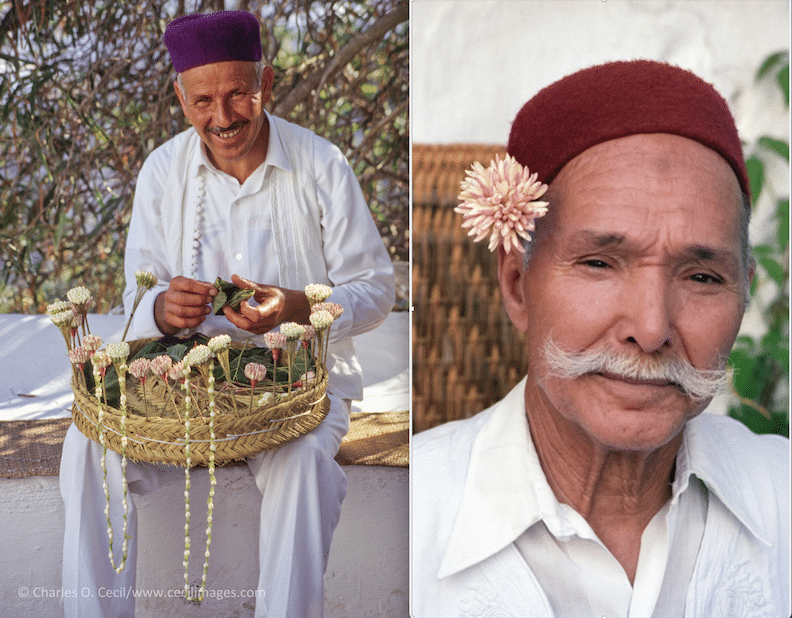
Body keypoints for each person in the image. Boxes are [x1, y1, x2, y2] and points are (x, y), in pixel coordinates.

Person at [411, 60, 790, 617]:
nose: (652, 328)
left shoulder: (781, 498)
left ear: (744, 293)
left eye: (703, 276)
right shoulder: (414, 515)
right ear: (517, 285)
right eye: (599, 263)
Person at [60, 10, 395, 618]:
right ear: (179, 97)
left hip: (297, 386)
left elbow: (376, 287)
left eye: (239, 93)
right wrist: (162, 309)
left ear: (264, 81)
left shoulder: (321, 163)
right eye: (203, 100)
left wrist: (299, 307)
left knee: (303, 465)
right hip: (184, 388)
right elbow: (137, 300)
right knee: (90, 445)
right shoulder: (163, 172)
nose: (223, 117)